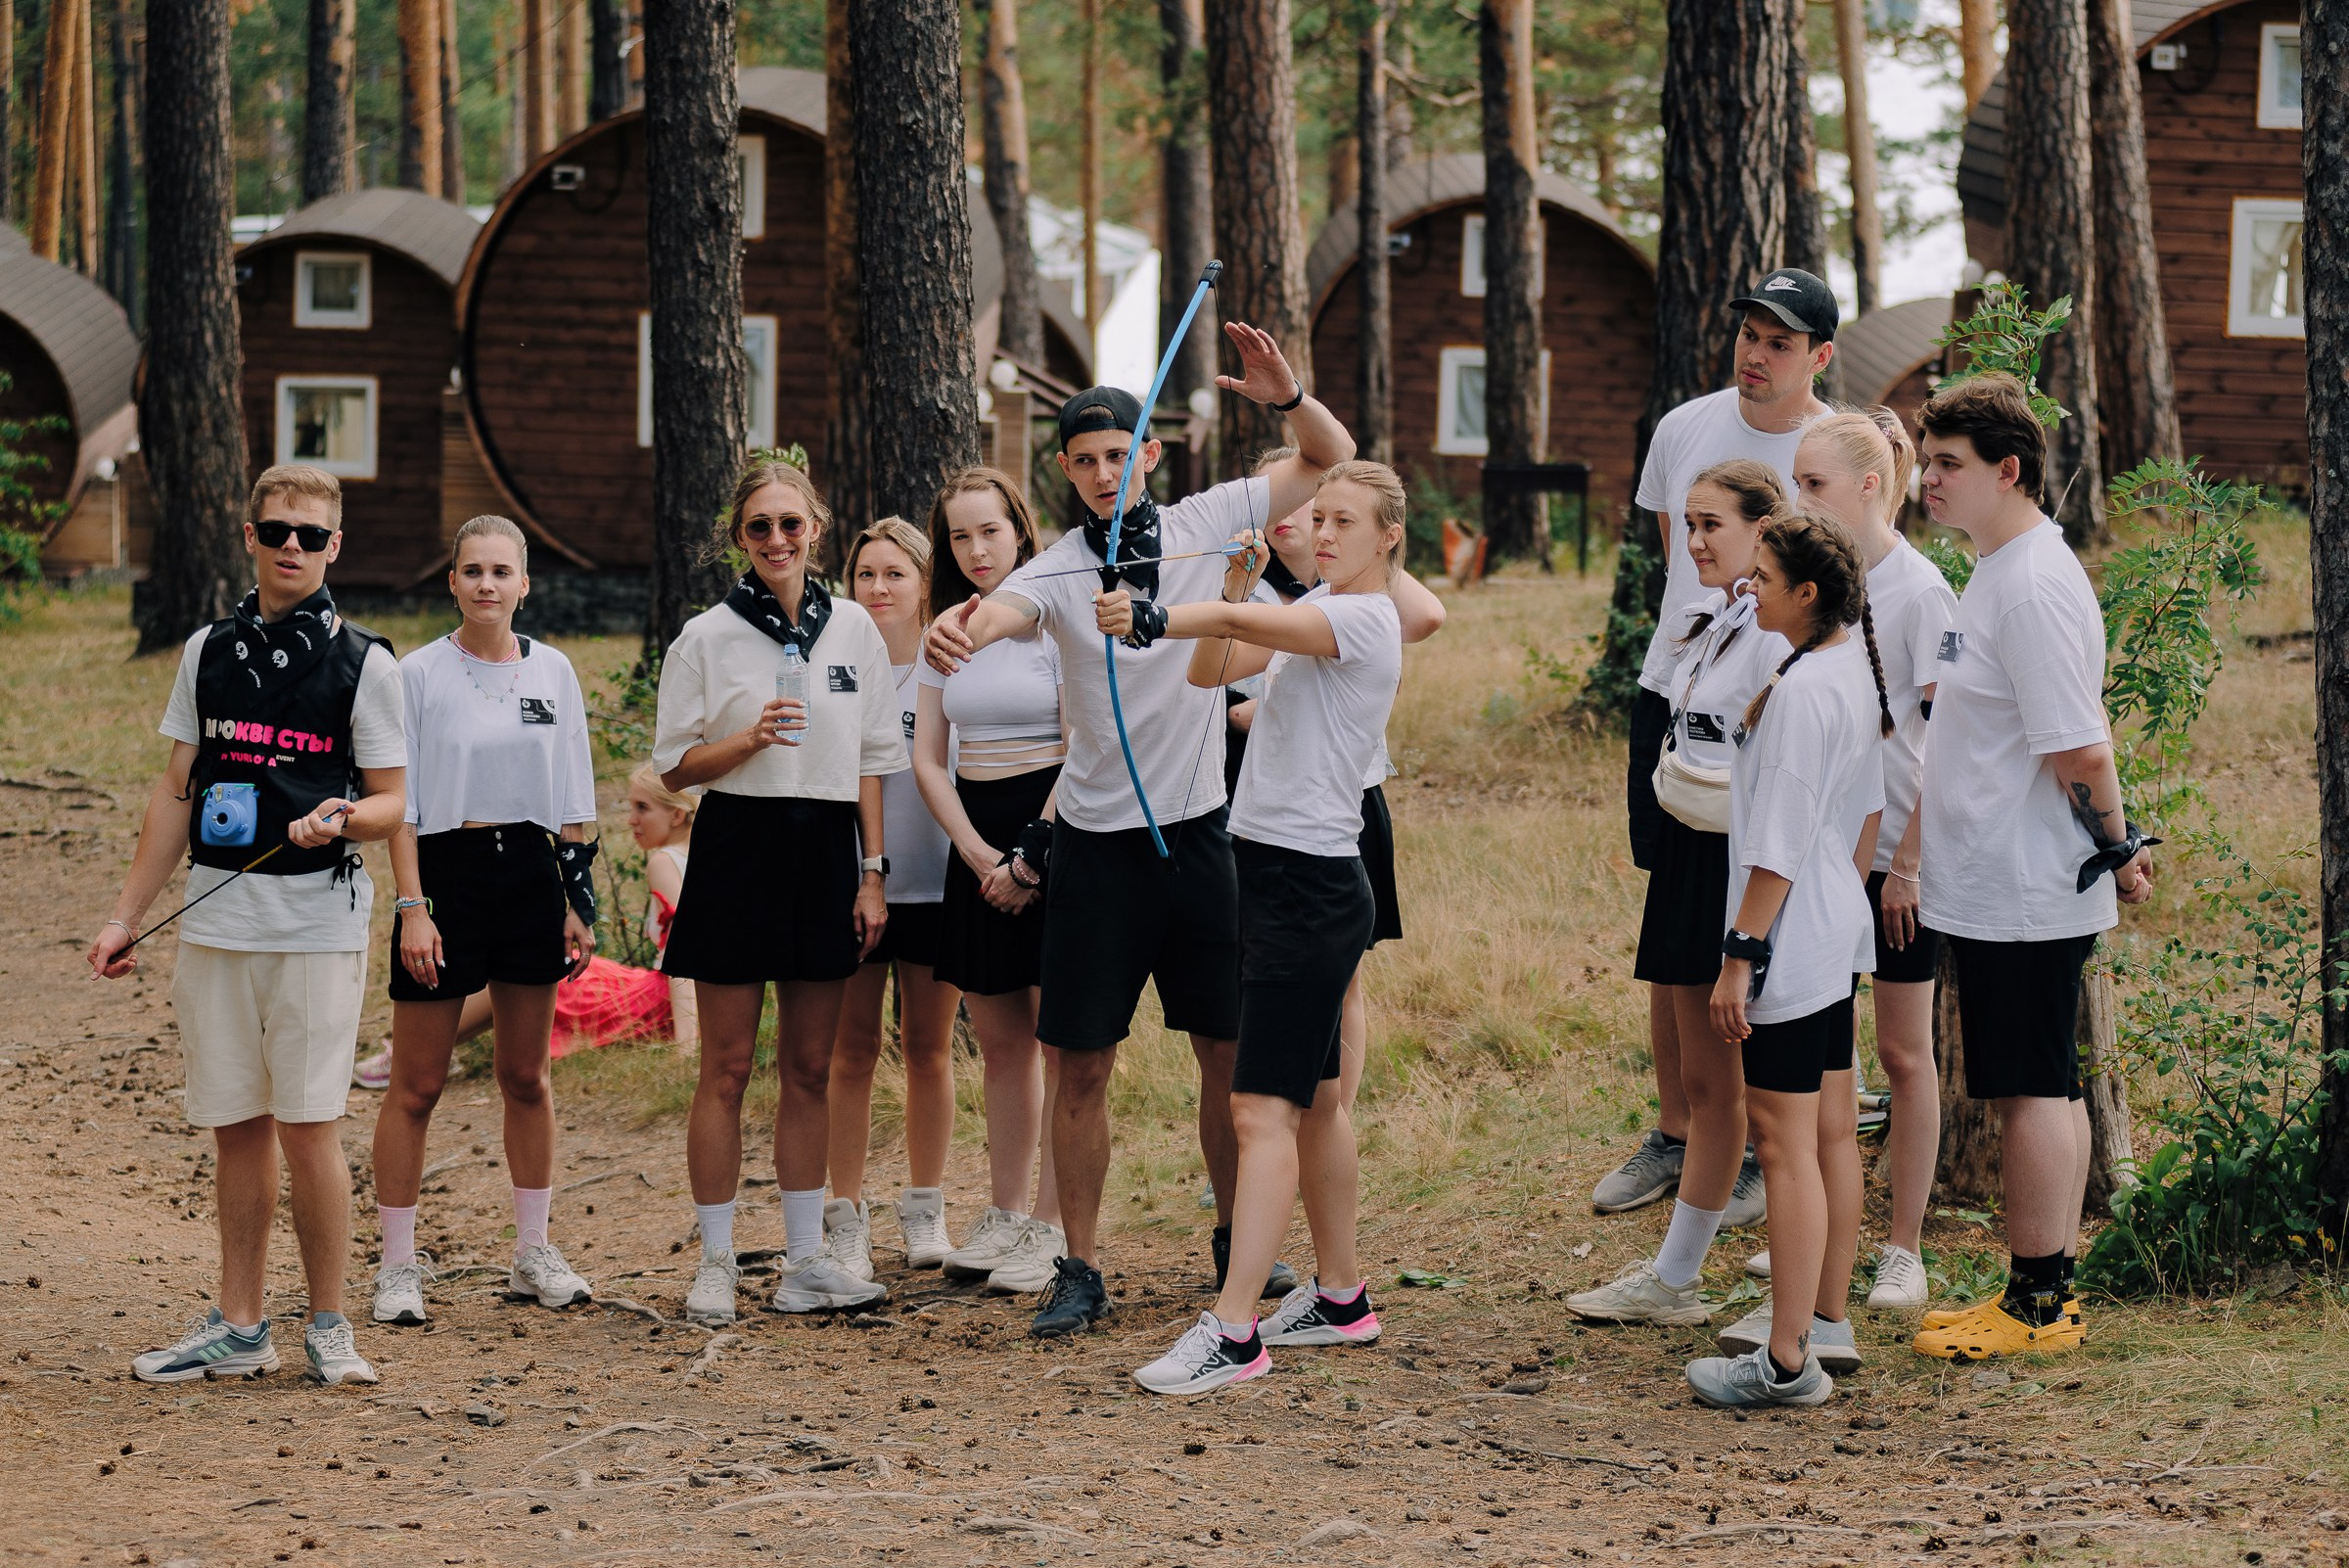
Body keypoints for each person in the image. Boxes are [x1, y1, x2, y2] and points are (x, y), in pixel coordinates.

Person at [925, 321, 1357, 1338]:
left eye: (1119, 455)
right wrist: (960, 626)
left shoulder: (1214, 518)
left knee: (1225, 1052)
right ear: (1065, 472)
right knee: (1080, 1063)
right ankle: (1079, 1263)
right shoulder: (1058, 570)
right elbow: (998, 615)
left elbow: (1329, 459)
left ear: (1149, 456)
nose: (1103, 473)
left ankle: (1231, 1245)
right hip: (1099, 850)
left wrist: (1286, 395)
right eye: (1083, 461)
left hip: (1202, 839)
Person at [87, 463, 404, 1387]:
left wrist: (343, 816)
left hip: (317, 921)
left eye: (311, 535)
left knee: (310, 1125)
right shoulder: (206, 651)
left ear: (336, 545)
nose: (293, 548)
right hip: (217, 923)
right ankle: (241, 1323)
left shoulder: (365, 661)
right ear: (252, 538)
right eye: (277, 532)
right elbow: (176, 791)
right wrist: (124, 917)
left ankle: (331, 1323)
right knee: (236, 1123)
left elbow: (393, 803)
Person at [1093, 460, 1406, 1394]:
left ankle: (1235, 1332)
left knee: (1258, 1110)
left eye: (1343, 522)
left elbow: (1216, 632)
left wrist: (1155, 611)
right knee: (1309, 1102)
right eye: (1317, 521)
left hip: (1308, 890)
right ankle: (1341, 1298)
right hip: (1277, 880)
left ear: (1389, 535)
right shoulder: (1312, 612)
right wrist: (1229, 584)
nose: (1321, 535)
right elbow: (1208, 670)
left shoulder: (1358, 617)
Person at [1909, 373, 2152, 1360]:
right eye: (1926, 461)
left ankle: (2036, 1308)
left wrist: (2115, 848)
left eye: (1948, 465)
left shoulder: (2038, 583)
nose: (1927, 479)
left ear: (2008, 471)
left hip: (2026, 886)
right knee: (2043, 1083)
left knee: (2031, 1094)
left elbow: (2080, 748)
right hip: (1997, 879)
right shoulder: (1999, 569)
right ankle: (2048, 1289)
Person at [1598, 267, 1838, 1225]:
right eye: (1749, 332)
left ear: (1819, 355)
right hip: (1676, 690)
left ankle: (1741, 1141)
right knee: (1672, 926)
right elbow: (1679, 556)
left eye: (1780, 340)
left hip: (1769, 707)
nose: (1756, 352)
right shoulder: (1685, 427)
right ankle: (1676, 1131)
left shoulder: (1829, 446)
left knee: (1753, 921)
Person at [655, 455, 908, 1323]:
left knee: (809, 1068)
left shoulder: (853, 632)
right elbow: (677, 768)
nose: (776, 539)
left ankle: (805, 1262)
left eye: (790, 523)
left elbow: (876, 761)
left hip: (826, 853)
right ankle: (717, 1260)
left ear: (817, 529)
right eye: (759, 526)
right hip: (737, 844)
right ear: (738, 537)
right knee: (724, 1068)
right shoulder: (706, 636)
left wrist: (872, 875)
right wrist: (746, 741)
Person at [1567, 461, 1789, 1331]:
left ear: (1763, 530)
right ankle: (1677, 1274)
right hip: (1696, 851)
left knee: (1767, 1087)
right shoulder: (1717, 615)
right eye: (1687, 524)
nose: (1691, 542)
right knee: (1704, 1080)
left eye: (1712, 526)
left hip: (1744, 862)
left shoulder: (1778, 633)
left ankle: (1797, 1296)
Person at [370, 516, 600, 1329]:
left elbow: (574, 798)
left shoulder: (556, 672)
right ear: (453, 582)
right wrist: (413, 909)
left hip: (533, 872)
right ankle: (397, 1266)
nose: (487, 585)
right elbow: (401, 804)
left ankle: (533, 1249)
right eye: (472, 571)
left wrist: (578, 902)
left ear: (525, 582)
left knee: (526, 1076)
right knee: (418, 1084)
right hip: (446, 871)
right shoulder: (419, 673)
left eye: (502, 571)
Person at [1684, 508, 1891, 1407]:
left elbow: (1774, 844)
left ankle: (1783, 1360)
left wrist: (1743, 956)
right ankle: (1824, 1320)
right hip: (1828, 932)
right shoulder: (1841, 664)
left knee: (1782, 1145)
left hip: (1789, 942)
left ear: (1809, 595)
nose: (1747, 586)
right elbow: (1868, 815)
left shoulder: (1807, 691)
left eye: (1763, 578)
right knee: (1828, 1135)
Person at [1224, 446, 1448, 1213]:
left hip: (1330, 823)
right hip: (1272, 822)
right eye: (1299, 506)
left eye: (1326, 511)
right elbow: (1221, 659)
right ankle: (1332, 1261)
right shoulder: (1290, 582)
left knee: (1335, 989)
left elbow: (1420, 613)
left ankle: (1318, 1124)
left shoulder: (1351, 593)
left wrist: (1363, 524)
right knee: (1295, 1064)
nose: (1309, 524)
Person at [1781, 410, 1956, 1310]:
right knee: (1823, 1060)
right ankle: (1817, 1231)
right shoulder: (1820, 586)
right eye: (1795, 482)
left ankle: (1903, 1247)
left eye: (1812, 485)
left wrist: (1907, 866)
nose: (1795, 499)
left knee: (1902, 1052)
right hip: (1827, 864)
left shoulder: (1921, 591)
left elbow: (1946, 738)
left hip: (1896, 868)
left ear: (1869, 486)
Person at [913, 469, 1069, 1295]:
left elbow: (1083, 747)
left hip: (1053, 828)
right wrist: (978, 855)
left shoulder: (1055, 622)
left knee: (1057, 1035)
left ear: (1021, 531)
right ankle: (1006, 1210)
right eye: (960, 537)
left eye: (990, 532)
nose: (976, 550)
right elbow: (927, 758)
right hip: (973, 838)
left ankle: (1051, 1223)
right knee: (1002, 1043)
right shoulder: (944, 632)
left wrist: (1028, 856)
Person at [824, 518, 962, 1281]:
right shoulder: (837, 664)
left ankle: (926, 1208)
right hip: (854, 885)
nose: (878, 589)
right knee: (852, 1051)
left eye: (894, 575)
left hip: (936, 881)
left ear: (922, 583)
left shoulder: (949, 663)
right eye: (865, 575)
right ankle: (845, 1217)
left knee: (929, 1050)